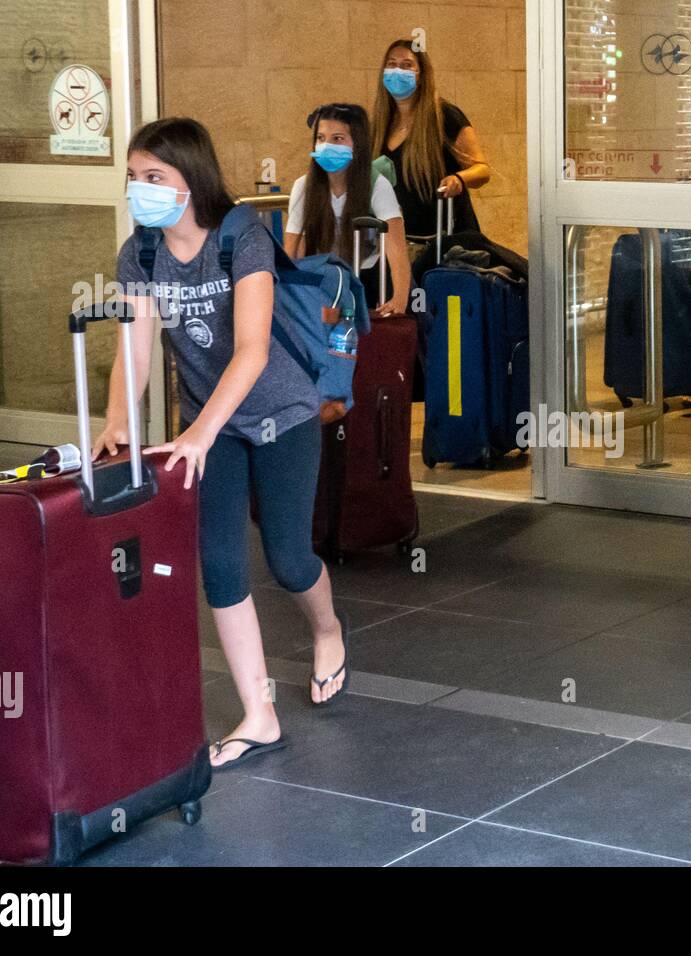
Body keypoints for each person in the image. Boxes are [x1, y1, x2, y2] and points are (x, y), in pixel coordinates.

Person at [99, 118, 349, 770]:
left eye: (155, 178)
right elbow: (134, 349)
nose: (141, 190)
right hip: (212, 430)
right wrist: (118, 419)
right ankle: (258, 714)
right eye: (134, 178)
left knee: (290, 559)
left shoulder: (242, 239)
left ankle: (327, 629)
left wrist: (197, 431)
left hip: (280, 414)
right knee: (221, 565)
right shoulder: (142, 254)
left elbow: (252, 350)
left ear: (192, 179)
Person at [284, 102, 411, 317]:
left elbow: (397, 250)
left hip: (368, 279)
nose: (326, 146)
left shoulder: (377, 185)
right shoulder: (303, 187)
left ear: (357, 144)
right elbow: (290, 249)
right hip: (325, 279)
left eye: (337, 139)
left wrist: (399, 300)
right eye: (320, 138)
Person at [371, 38, 491, 241]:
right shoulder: (380, 125)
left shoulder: (444, 116)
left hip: (444, 239)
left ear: (421, 75)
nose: (397, 71)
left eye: (406, 65)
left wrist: (459, 179)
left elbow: (482, 170)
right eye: (391, 64)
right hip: (400, 239)